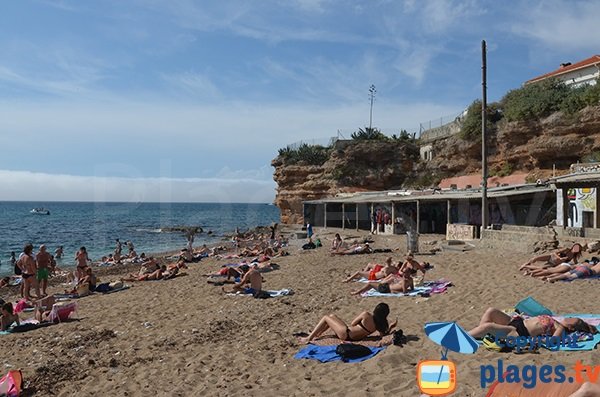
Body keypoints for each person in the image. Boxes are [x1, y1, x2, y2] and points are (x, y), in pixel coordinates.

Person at [467, 307, 598, 339]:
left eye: (570, 320)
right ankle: (480, 334)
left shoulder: (560, 329)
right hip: (517, 322)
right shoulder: (557, 320)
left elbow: (553, 341)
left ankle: (466, 336)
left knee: (488, 326)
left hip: (518, 332)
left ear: (570, 327)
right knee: (491, 311)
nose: (568, 318)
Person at [298, 303, 397, 344]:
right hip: (354, 338)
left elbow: (353, 323)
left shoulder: (367, 315)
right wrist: (391, 327)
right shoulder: (381, 324)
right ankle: (318, 334)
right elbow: (383, 335)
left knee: (326, 317)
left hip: (346, 333)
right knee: (332, 316)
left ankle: (309, 338)